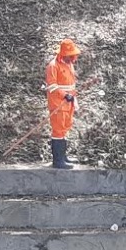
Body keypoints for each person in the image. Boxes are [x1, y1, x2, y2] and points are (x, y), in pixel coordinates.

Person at [44, 39, 81, 170]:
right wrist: (65, 95)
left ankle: (63, 156)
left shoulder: (68, 64)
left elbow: (71, 84)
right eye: (71, 56)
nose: (73, 58)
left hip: (69, 102)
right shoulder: (53, 66)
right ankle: (58, 161)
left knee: (65, 128)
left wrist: (73, 98)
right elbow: (52, 86)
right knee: (58, 130)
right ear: (63, 54)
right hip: (58, 104)